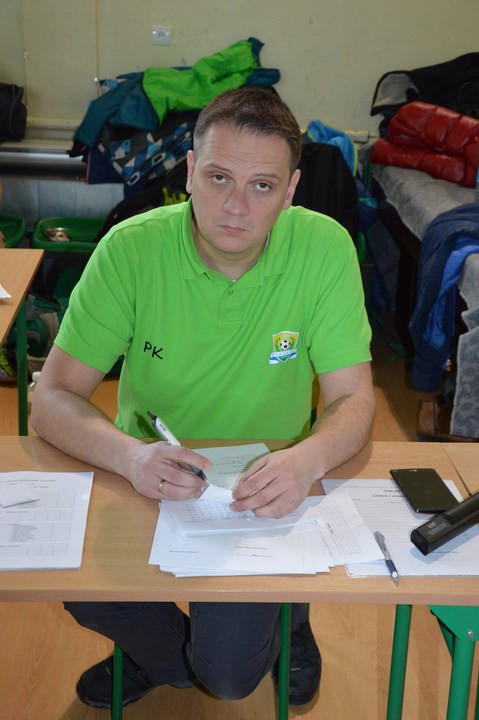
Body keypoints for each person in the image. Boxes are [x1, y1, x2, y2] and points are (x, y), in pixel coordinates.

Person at [31, 87, 375, 710]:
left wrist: (306, 461)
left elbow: (354, 399)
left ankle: (287, 618)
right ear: (189, 171)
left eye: (262, 186)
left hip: (268, 489)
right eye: (218, 177)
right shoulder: (130, 249)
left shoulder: (325, 248)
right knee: (66, 578)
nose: (235, 206)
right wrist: (130, 456)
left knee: (230, 679)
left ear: (291, 190)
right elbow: (52, 395)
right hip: (145, 472)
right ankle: (166, 652)